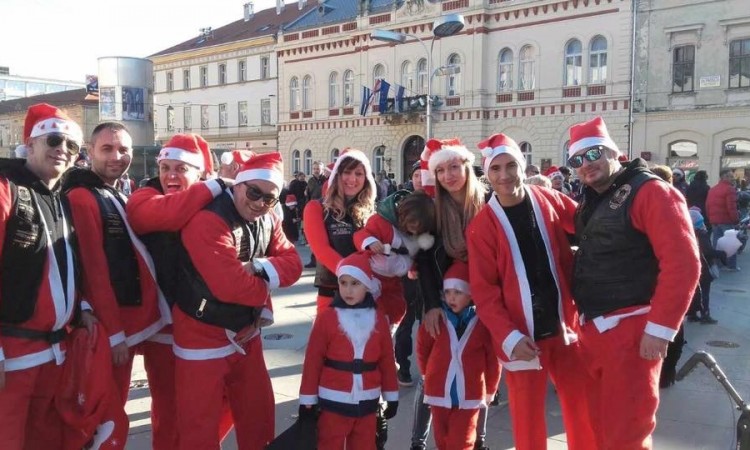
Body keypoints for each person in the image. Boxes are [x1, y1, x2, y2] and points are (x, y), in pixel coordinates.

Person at [567, 116, 700, 449]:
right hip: (595, 329)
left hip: (630, 330)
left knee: (626, 432)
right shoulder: (593, 196)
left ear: (615, 152)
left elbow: (683, 262)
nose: (586, 164)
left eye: (594, 153)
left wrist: (660, 329)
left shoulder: (652, 191)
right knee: (598, 426)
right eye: (577, 160)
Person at [467, 133, 595, 450]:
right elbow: (485, 294)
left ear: (522, 166)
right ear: (487, 174)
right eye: (496, 169)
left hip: (565, 326)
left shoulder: (548, 199)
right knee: (527, 420)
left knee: (582, 406)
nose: (504, 175)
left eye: (511, 165)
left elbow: (589, 224)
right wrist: (509, 337)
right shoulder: (482, 227)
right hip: (521, 336)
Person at [172, 151, 302, 450]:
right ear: (237, 185)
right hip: (200, 334)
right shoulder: (208, 219)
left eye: (269, 198)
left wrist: (258, 267)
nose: (260, 202)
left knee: (258, 416)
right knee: (199, 427)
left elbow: (294, 263)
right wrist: (266, 286)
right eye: (254, 192)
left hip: (246, 332)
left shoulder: (268, 218)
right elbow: (229, 286)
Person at [126, 133, 239, 449]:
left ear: (200, 171)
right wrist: (216, 185)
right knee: (168, 409)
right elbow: (166, 213)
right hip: (166, 327)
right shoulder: (144, 196)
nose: (170, 176)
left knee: (226, 400)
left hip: (213, 326)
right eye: (166, 167)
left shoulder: (220, 203)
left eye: (181, 168)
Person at [63, 122, 172, 444]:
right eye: (107, 149)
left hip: (119, 327)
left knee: (110, 413)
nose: (117, 156)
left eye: (124, 149)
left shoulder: (108, 192)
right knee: (105, 419)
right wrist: (115, 335)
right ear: (90, 151)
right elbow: (95, 270)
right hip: (108, 332)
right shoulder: (83, 197)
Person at [0, 103, 95, 449]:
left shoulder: (59, 198)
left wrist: (81, 305)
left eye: (72, 146)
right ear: (29, 143)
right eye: (54, 139)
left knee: (44, 440)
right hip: (13, 354)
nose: (63, 150)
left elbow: (66, 262)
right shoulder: (6, 188)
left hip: (54, 352)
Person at [411, 138, 489, 450]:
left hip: (482, 301)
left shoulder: (487, 203)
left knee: (477, 370)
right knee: (429, 372)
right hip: (441, 300)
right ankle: (418, 441)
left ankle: (478, 439)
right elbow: (425, 260)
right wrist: (431, 305)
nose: (448, 175)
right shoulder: (434, 209)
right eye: (441, 170)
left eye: (454, 167)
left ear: (466, 167)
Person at [298, 251, 399, 450]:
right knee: (329, 444)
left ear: (367, 286)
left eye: (355, 283)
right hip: (333, 401)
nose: (348, 290)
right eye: (343, 283)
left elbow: (387, 360)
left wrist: (391, 396)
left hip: (368, 402)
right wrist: (307, 400)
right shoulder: (327, 318)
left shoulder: (378, 318)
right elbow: (313, 360)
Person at [417, 262, 500, 450]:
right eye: (447, 293)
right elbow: (423, 347)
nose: (451, 298)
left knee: (461, 442)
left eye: (457, 292)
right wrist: (426, 374)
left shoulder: (482, 323)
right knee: (442, 440)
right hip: (438, 393)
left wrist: (491, 389)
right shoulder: (437, 319)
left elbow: (493, 359)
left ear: (470, 294)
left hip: (469, 395)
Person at [303, 148, 377, 314]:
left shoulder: (370, 211)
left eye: (359, 173)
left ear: (366, 179)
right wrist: (353, 277)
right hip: (332, 292)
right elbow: (321, 250)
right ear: (337, 175)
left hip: (368, 293)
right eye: (347, 172)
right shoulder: (316, 208)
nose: (352, 179)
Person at [353, 190, 435, 327]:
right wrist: (370, 242)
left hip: (394, 280)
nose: (414, 231)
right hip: (373, 276)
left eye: (418, 229)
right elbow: (360, 235)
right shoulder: (381, 223)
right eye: (412, 226)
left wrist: (414, 268)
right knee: (373, 309)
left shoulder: (417, 237)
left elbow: (414, 255)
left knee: (396, 308)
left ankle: (388, 330)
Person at [706, 168, 740, 271]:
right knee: (731, 244)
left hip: (715, 221)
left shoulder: (713, 189)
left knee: (718, 244)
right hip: (726, 220)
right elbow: (731, 207)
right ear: (724, 177)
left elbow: (707, 205)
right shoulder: (730, 189)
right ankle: (731, 265)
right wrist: (736, 220)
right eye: (730, 176)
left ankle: (718, 264)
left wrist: (710, 219)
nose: (732, 178)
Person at [304, 161, 327, 268]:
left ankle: (323, 260)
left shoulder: (326, 180)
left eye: (318, 168)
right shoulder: (311, 181)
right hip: (313, 210)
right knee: (313, 236)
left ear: (322, 169)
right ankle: (313, 260)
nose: (316, 170)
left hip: (325, 209)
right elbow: (307, 196)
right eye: (314, 169)